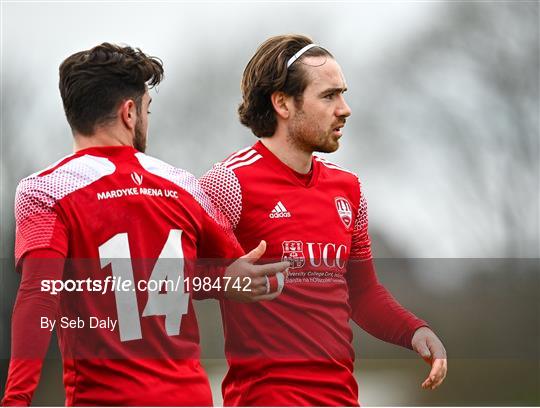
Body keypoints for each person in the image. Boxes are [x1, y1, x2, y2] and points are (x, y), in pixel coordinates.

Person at [1, 43, 288, 406]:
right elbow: (229, 274)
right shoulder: (182, 185)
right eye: (148, 109)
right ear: (130, 112)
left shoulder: (45, 189)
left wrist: (16, 399)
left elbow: (38, 297)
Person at [199, 34, 448, 406]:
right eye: (329, 96)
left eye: (343, 94)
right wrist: (222, 281)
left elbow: (362, 294)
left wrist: (413, 330)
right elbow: (164, 277)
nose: (345, 108)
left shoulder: (348, 189)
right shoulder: (229, 183)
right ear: (283, 103)